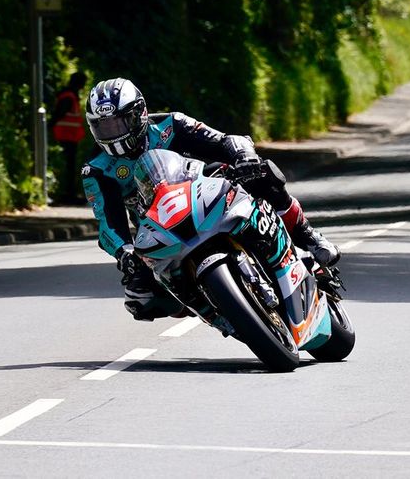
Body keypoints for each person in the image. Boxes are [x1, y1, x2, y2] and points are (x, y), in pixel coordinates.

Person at [81, 77, 341, 321]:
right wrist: (124, 252)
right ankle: (214, 310)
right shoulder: (97, 170)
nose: (112, 133)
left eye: (118, 123)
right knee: (141, 295)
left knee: (262, 174)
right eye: (103, 126)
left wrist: (244, 156)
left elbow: (224, 141)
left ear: (139, 114)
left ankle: (308, 236)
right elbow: (108, 223)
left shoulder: (171, 124)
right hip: (159, 226)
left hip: (205, 194)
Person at [51, 71, 87, 203]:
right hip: (65, 136)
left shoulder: (70, 95)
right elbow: (58, 115)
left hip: (69, 136)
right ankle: (67, 194)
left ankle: (68, 193)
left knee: (70, 166)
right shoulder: (68, 97)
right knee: (67, 167)